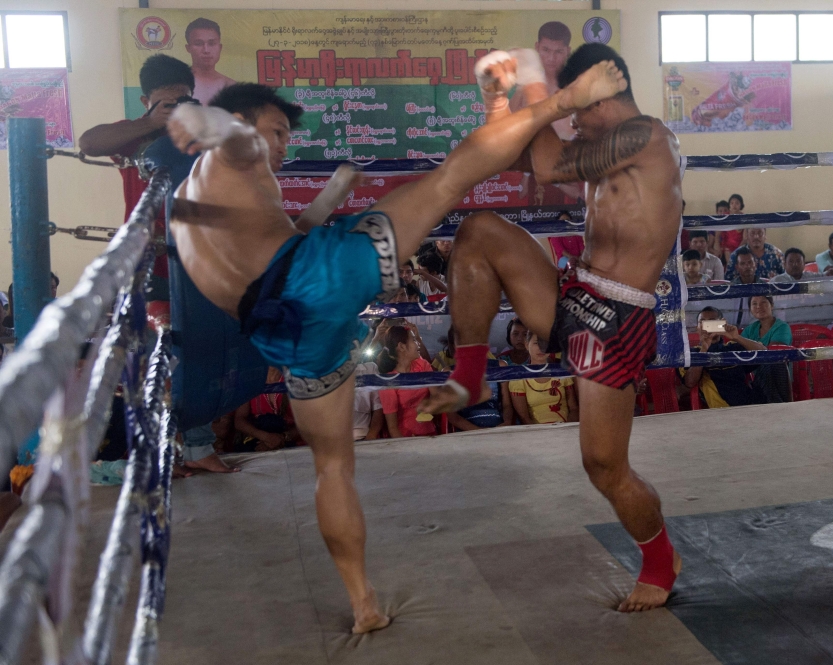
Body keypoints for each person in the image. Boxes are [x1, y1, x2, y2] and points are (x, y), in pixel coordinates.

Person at [166, 62, 626, 631]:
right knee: (451, 178)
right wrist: (202, 120)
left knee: (332, 467)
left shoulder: (184, 202)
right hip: (315, 280)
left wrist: (324, 202)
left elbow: (267, 247)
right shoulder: (236, 152)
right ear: (242, 119)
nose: (282, 146)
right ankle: (567, 99)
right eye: (277, 132)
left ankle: (363, 602)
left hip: (281, 331)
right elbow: (235, 140)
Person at [420, 44, 683, 612]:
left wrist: (536, 84)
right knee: (478, 231)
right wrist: (499, 102)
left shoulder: (647, 137)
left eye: (580, 107)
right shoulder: (600, 145)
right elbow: (508, 154)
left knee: (603, 466)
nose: (574, 121)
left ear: (604, 94)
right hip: (575, 290)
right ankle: (470, 374)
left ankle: (662, 559)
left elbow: (545, 164)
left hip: (617, 317)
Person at [79, 54, 196, 304]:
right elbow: (88, 143)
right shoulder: (134, 134)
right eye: (167, 104)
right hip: (147, 263)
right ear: (146, 102)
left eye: (182, 101)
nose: (175, 110)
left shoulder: (205, 134)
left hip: (198, 260)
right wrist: (150, 123)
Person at [680, 307, 763, 408]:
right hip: (723, 409)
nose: (707, 326)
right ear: (697, 328)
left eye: (712, 322)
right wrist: (704, 349)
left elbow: (764, 354)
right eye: (702, 322)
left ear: (722, 324)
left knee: (774, 366)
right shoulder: (693, 353)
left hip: (750, 405)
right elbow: (690, 382)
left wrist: (737, 337)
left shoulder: (733, 347)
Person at [433, 327, 513, 430]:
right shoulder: (448, 372)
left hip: (498, 430)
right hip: (467, 433)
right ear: (454, 346)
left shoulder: (500, 366)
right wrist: (478, 431)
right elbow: (453, 416)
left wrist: (506, 423)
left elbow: (507, 405)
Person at [510, 21, 574, 140]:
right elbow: (506, 129)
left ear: (568, 51)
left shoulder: (577, 86)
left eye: (558, 52)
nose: (551, 58)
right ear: (537, 47)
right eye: (546, 50)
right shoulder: (526, 88)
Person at [377, 326, 439, 439]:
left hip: (430, 435)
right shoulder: (389, 381)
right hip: (404, 438)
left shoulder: (423, 365)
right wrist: (407, 444)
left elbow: (436, 397)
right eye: (414, 340)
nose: (418, 343)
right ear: (401, 346)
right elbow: (393, 428)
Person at [508, 330, 578, 424]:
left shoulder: (561, 372)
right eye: (536, 343)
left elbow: (574, 409)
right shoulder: (518, 378)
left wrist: (566, 428)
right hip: (536, 431)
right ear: (527, 345)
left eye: (546, 343)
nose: (541, 348)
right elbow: (524, 418)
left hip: (564, 427)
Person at [233, 368, 301, 452]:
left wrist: (283, 437)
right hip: (258, 443)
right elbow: (239, 420)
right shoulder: (250, 381)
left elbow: (309, 420)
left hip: (296, 445)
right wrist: (266, 437)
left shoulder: (296, 378)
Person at [184, 18, 236, 104]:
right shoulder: (177, 85)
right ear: (188, 48)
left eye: (211, 44)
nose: (206, 50)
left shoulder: (231, 86)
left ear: (220, 47)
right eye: (199, 44)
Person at [352, 362, 384, 442]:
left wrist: (371, 435)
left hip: (361, 437)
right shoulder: (326, 371)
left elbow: (378, 407)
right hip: (330, 439)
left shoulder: (370, 369)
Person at [717, 194, 746, 265]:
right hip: (727, 247)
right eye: (732, 203)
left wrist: (737, 251)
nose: (734, 205)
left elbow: (745, 238)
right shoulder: (725, 217)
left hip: (740, 246)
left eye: (737, 203)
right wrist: (718, 248)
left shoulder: (744, 218)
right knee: (730, 265)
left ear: (741, 205)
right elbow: (717, 235)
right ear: (729, 205)